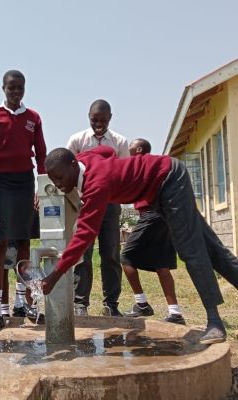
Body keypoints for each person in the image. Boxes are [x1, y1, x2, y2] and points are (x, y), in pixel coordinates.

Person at [42, 146, 238, 344]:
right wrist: (124, 169)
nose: (58, 185)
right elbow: (107, 151)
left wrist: (55, 275)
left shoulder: (97, 185)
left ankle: (215, 323)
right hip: (157, 190)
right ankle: (216, 320)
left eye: (60, 177)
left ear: (73, 165)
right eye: (53, 180)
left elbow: (84, 234)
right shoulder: (84, 158)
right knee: (211, 247)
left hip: (169, 178)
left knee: (190, 249)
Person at [0, 70, 47, 332]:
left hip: (25, 182)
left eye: (20, 88)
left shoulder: (33, 118)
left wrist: (40, 189)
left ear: (24, 89)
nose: (15, 92)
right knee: (0, 243)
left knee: (23, 243)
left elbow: (41, 155)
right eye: (11, 88)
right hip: (2, 184)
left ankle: (22, 302)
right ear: (3, 89)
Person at [67, 99, 129, 316]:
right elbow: (66, 172)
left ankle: (111, 304)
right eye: (94, 120)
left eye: (103, 120)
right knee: (82, 253)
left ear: (110, 118)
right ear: (88, 117)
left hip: (110, 205)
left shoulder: (120, 142)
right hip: (83, 205)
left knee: (110, 252)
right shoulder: (77, 141)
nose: (98, 124)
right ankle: (80, 304)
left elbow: (124, 175)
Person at [121, 139, 185, 325]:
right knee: (161, 265)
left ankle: (141, 304)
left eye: (131, 147)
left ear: (139, 149)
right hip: (165, 217)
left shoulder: (143, 165)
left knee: (126, 257)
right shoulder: (158, 165)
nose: (128, 150)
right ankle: (175, 313)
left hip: (150, 214)